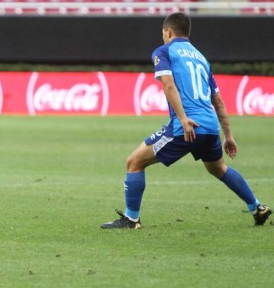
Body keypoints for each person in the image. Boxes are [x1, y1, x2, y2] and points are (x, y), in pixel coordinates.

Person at [101, 12, 271, 229]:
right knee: (219, 169)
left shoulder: (164, 51)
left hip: (187, 126)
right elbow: (217, 100)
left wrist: (183, 119)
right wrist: (228, 135)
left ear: (167, 32)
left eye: (163, 33)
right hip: (210, 127)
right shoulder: (201, 58)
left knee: (134, 162)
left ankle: (131, 219)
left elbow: (169, 85)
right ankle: (257, 207)